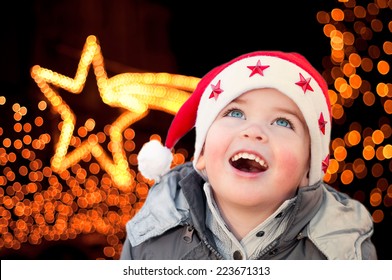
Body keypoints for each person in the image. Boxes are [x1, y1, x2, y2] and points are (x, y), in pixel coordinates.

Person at [120, 51, 377, 260]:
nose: (254, 131)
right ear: (202, 156)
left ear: (308, 171)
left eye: (283, 122)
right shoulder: (151, 235)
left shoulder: (344, 251)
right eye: (235, 113)